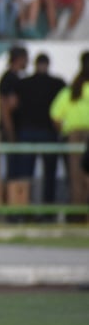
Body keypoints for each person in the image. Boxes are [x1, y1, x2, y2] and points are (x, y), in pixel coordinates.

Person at [15, 54, 66, 206]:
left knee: (25, 173)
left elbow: (15, 107)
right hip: (48, 132)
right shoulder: (57, 84)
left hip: (27, 131)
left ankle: (25, 205)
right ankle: (47, 208)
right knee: (49, 174)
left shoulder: (23, 84)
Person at [49, 51, 89, 216]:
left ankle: (77, 212)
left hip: (74, 136)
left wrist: (63, 132)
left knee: (76, 175)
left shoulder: (72, 90)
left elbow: (55, 115)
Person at [0, 45, 30, 181]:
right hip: (12, 130)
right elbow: (5, 108)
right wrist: (10, 132)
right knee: (13, 170)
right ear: (19, 59)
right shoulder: (10, 80)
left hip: (14, 129)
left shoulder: (13, 78)